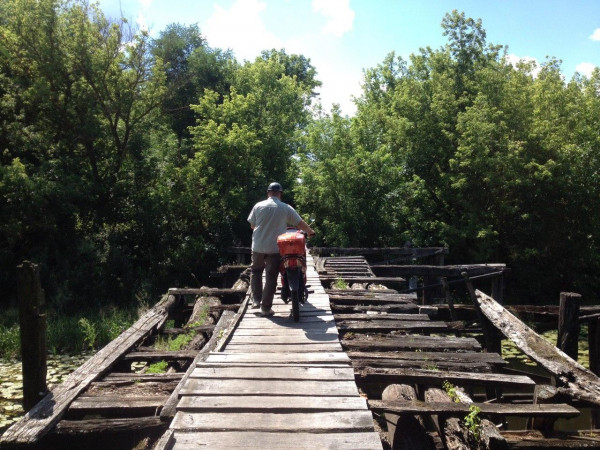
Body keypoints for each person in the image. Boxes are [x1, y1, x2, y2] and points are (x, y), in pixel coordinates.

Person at [247, 182, 315, 317]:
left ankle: (255, 299)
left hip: (258, 246)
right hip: (275, 248)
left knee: (256, 271)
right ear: (280, 194)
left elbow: (252, 226)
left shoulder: (258, 206)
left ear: (268, 193)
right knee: (271, 276)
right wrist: (310, 231)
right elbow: (299, 223)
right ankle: (265, 308)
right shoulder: (285, 208)